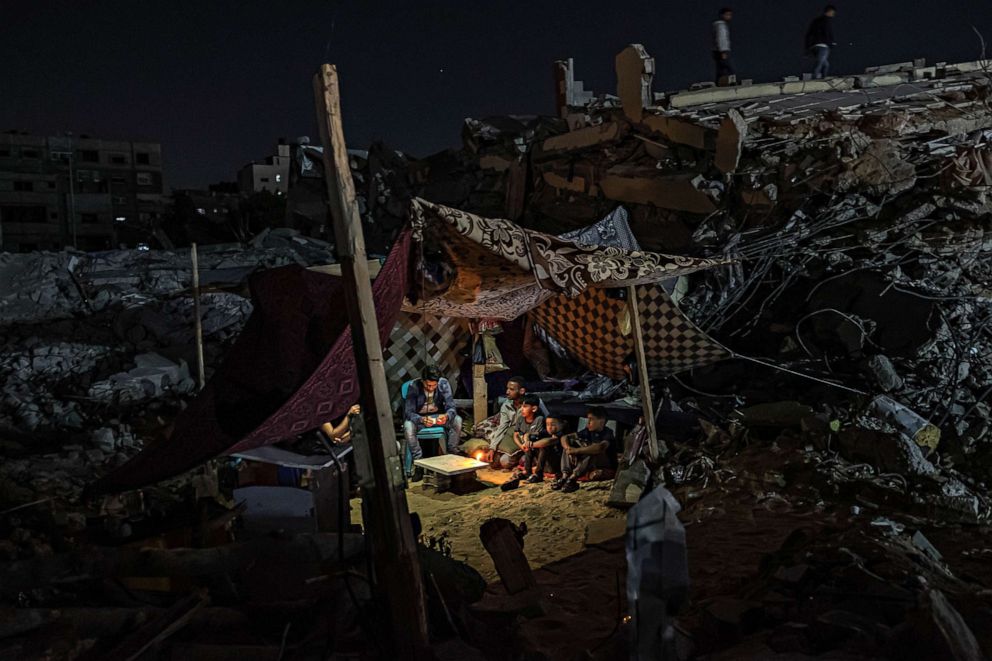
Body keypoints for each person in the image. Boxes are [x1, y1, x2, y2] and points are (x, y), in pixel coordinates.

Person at [403, 365, 463, 479]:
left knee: (457, 420)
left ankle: (452, 454)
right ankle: (418, 463)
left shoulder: (443, 384)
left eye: (434, 385)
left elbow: (451, 407)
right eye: (428, 385)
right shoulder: (414, 387)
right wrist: (421, 419)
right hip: (419, 419)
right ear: (422, 381)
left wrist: (446, 416)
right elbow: (409, 412)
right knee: (407, 426)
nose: (431, 388)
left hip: (437, 417)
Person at [554, 406, 616, 493]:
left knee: (592, 450)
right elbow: (565, 437)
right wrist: (568, 448)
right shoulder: (588, 431)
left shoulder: (608, 433)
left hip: (604, 463)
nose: (588, 422)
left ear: (601, 421)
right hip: (589, 463)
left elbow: (600, 447)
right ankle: (565, 477)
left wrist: (576, 451)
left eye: (591, 419)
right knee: (569, 445)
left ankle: (572, 479)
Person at [487, 376, 549, 453]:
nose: (507, 392)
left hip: (533, 434)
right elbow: (502, 427)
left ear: (522, 391)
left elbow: (547, 419)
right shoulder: (506, 405)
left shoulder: (534, 401)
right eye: (507, 388)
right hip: (515, 434)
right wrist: (492, 448)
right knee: (502, 459)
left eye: (511, 389)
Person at [521, 416, 565, 484]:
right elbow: (527, 434)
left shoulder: (562, 434)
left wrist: (531, 444)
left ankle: (538, 475)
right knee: (530, 446)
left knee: (544, 446)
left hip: (556, 466)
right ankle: (527, 473)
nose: (549, 427)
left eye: (553, 424)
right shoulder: (546, 432)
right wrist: (527, 441)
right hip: (545, 464)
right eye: (547, 424)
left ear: (561, 425)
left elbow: (549, 441)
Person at [805, 5, 837, 79]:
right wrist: (831, 43)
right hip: (823, 46)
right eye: (832, 13)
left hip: (814, 46)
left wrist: (807, 48)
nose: (833, 15)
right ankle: (814, 79)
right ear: (829, 12)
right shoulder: (826, 21)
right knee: (819, 63)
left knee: (826, 64)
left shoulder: (815, 21)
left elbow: (809, 34)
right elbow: (828, 32)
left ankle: (823, 78)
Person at [712, 7, 734, 83]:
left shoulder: (720, 25)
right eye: (727, 15)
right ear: (722, 15)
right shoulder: (721, 25)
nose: (729, 17)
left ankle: (719, 83)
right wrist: (723, 51)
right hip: (721, 51)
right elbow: (721, 38)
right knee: (729, 69)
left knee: (720, 70)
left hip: (718, 50)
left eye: (730, 15)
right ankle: (731, 83)